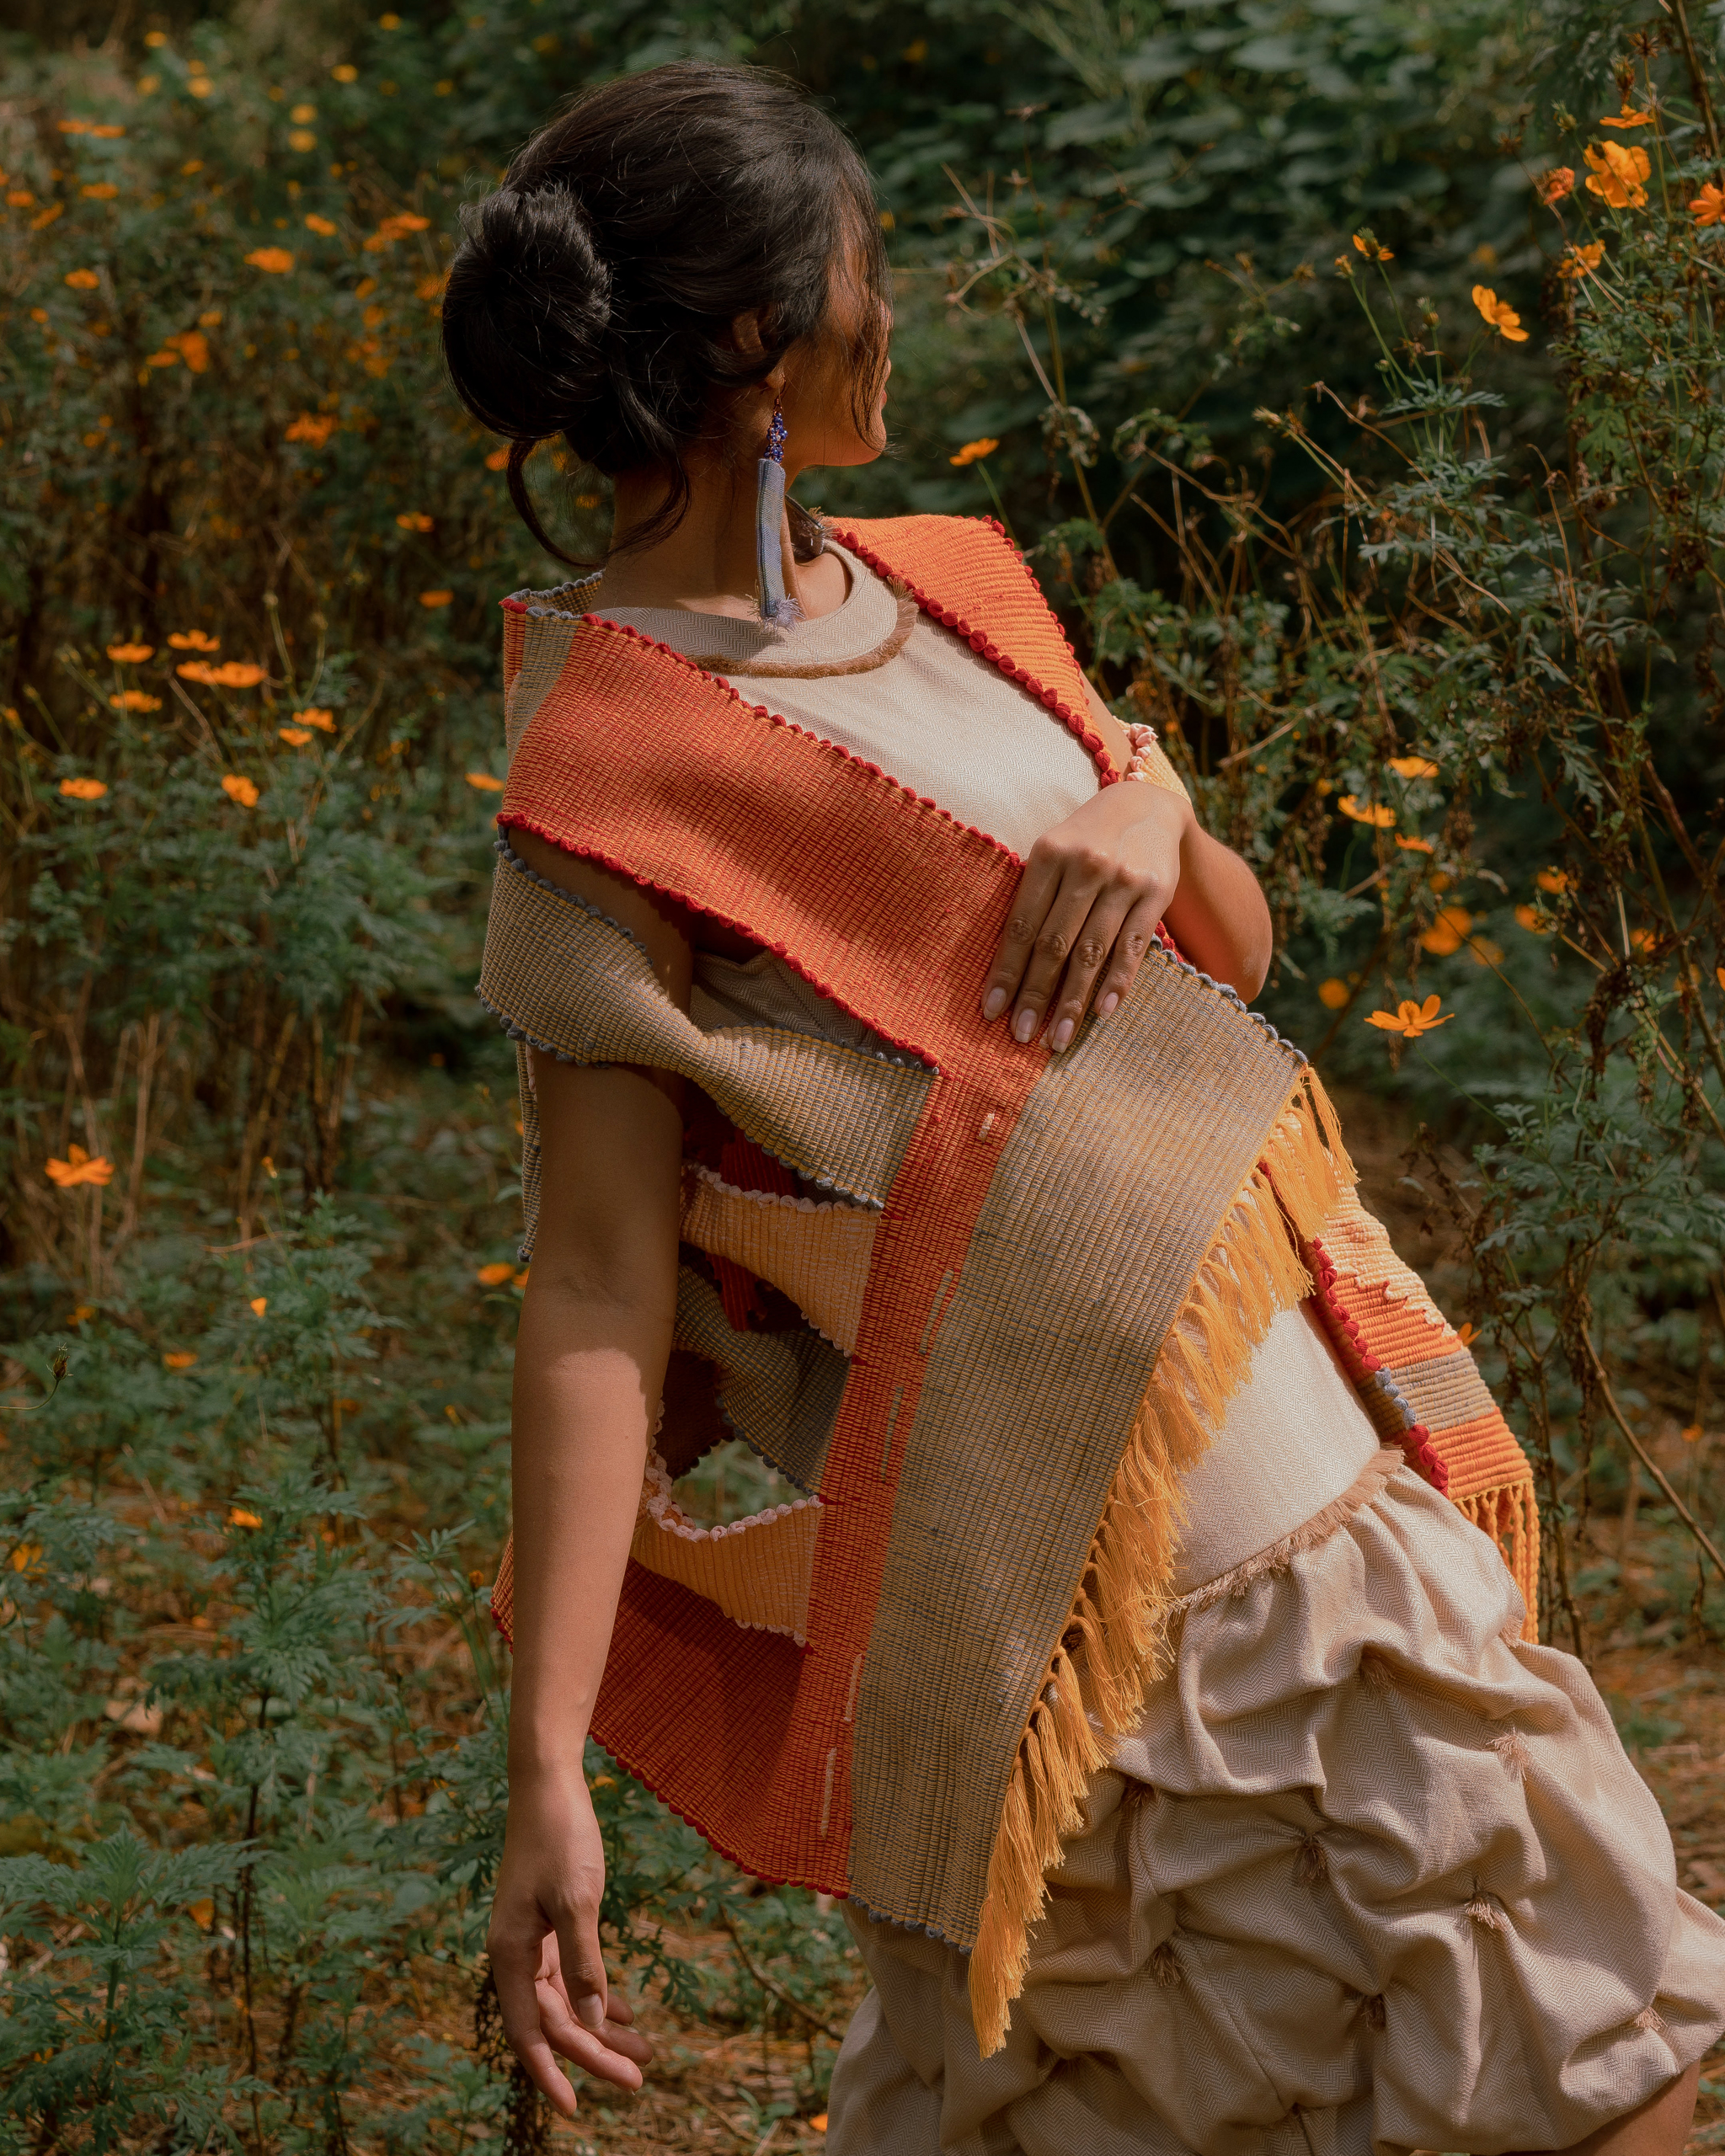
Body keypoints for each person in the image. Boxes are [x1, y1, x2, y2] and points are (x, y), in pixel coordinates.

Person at [441, 60, 1725, 2156]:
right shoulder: (608, 767)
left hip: (1301, 1471)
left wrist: (1149, 796)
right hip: (1032, 1590)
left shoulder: (954, 581)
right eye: (864, 263)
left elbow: (1235, 949)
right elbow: (595, 1279)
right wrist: (546, 1767)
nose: (892, 306)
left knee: (1591, 2060)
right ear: (759, 337)